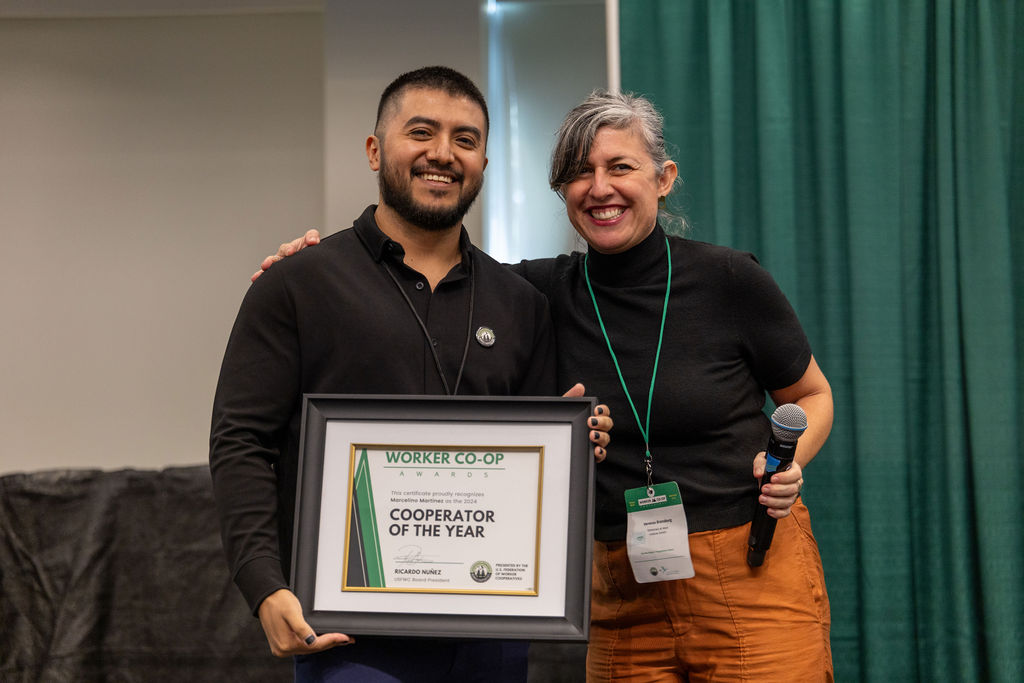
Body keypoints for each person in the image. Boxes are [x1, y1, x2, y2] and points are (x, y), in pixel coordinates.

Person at [262, 90, 834, 681]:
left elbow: (812, 396)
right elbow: (425, 280)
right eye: (579, 172)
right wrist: (312, 266)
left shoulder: (729, 279)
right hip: (619, 584)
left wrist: (787, 463)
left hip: (747, 567)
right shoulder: (533, 293)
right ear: (562, 191)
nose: (600, 187)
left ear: (663, 179)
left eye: (620, 167)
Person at [209, 66, 611, 683]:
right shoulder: (298, 285)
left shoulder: (520, 302)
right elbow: (241, 442)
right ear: (375, 149)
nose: (443, 154)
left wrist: (577, 443)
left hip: (493, 632)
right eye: (420, 131)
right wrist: (264, 586)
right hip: (351, 638)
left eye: (466, 139)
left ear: (483, 161)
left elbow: (538, 467)